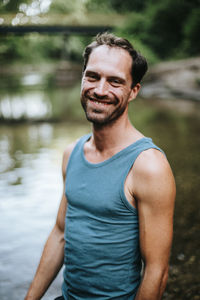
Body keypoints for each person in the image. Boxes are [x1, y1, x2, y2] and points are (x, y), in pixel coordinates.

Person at [25, 33, 176, 300]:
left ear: (134, 91)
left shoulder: (148, 166)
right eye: (93, 76)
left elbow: (156, 271)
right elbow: (61, 233)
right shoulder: (71, 153)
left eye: (115, 81)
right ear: (82, 78)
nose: (100, 90)